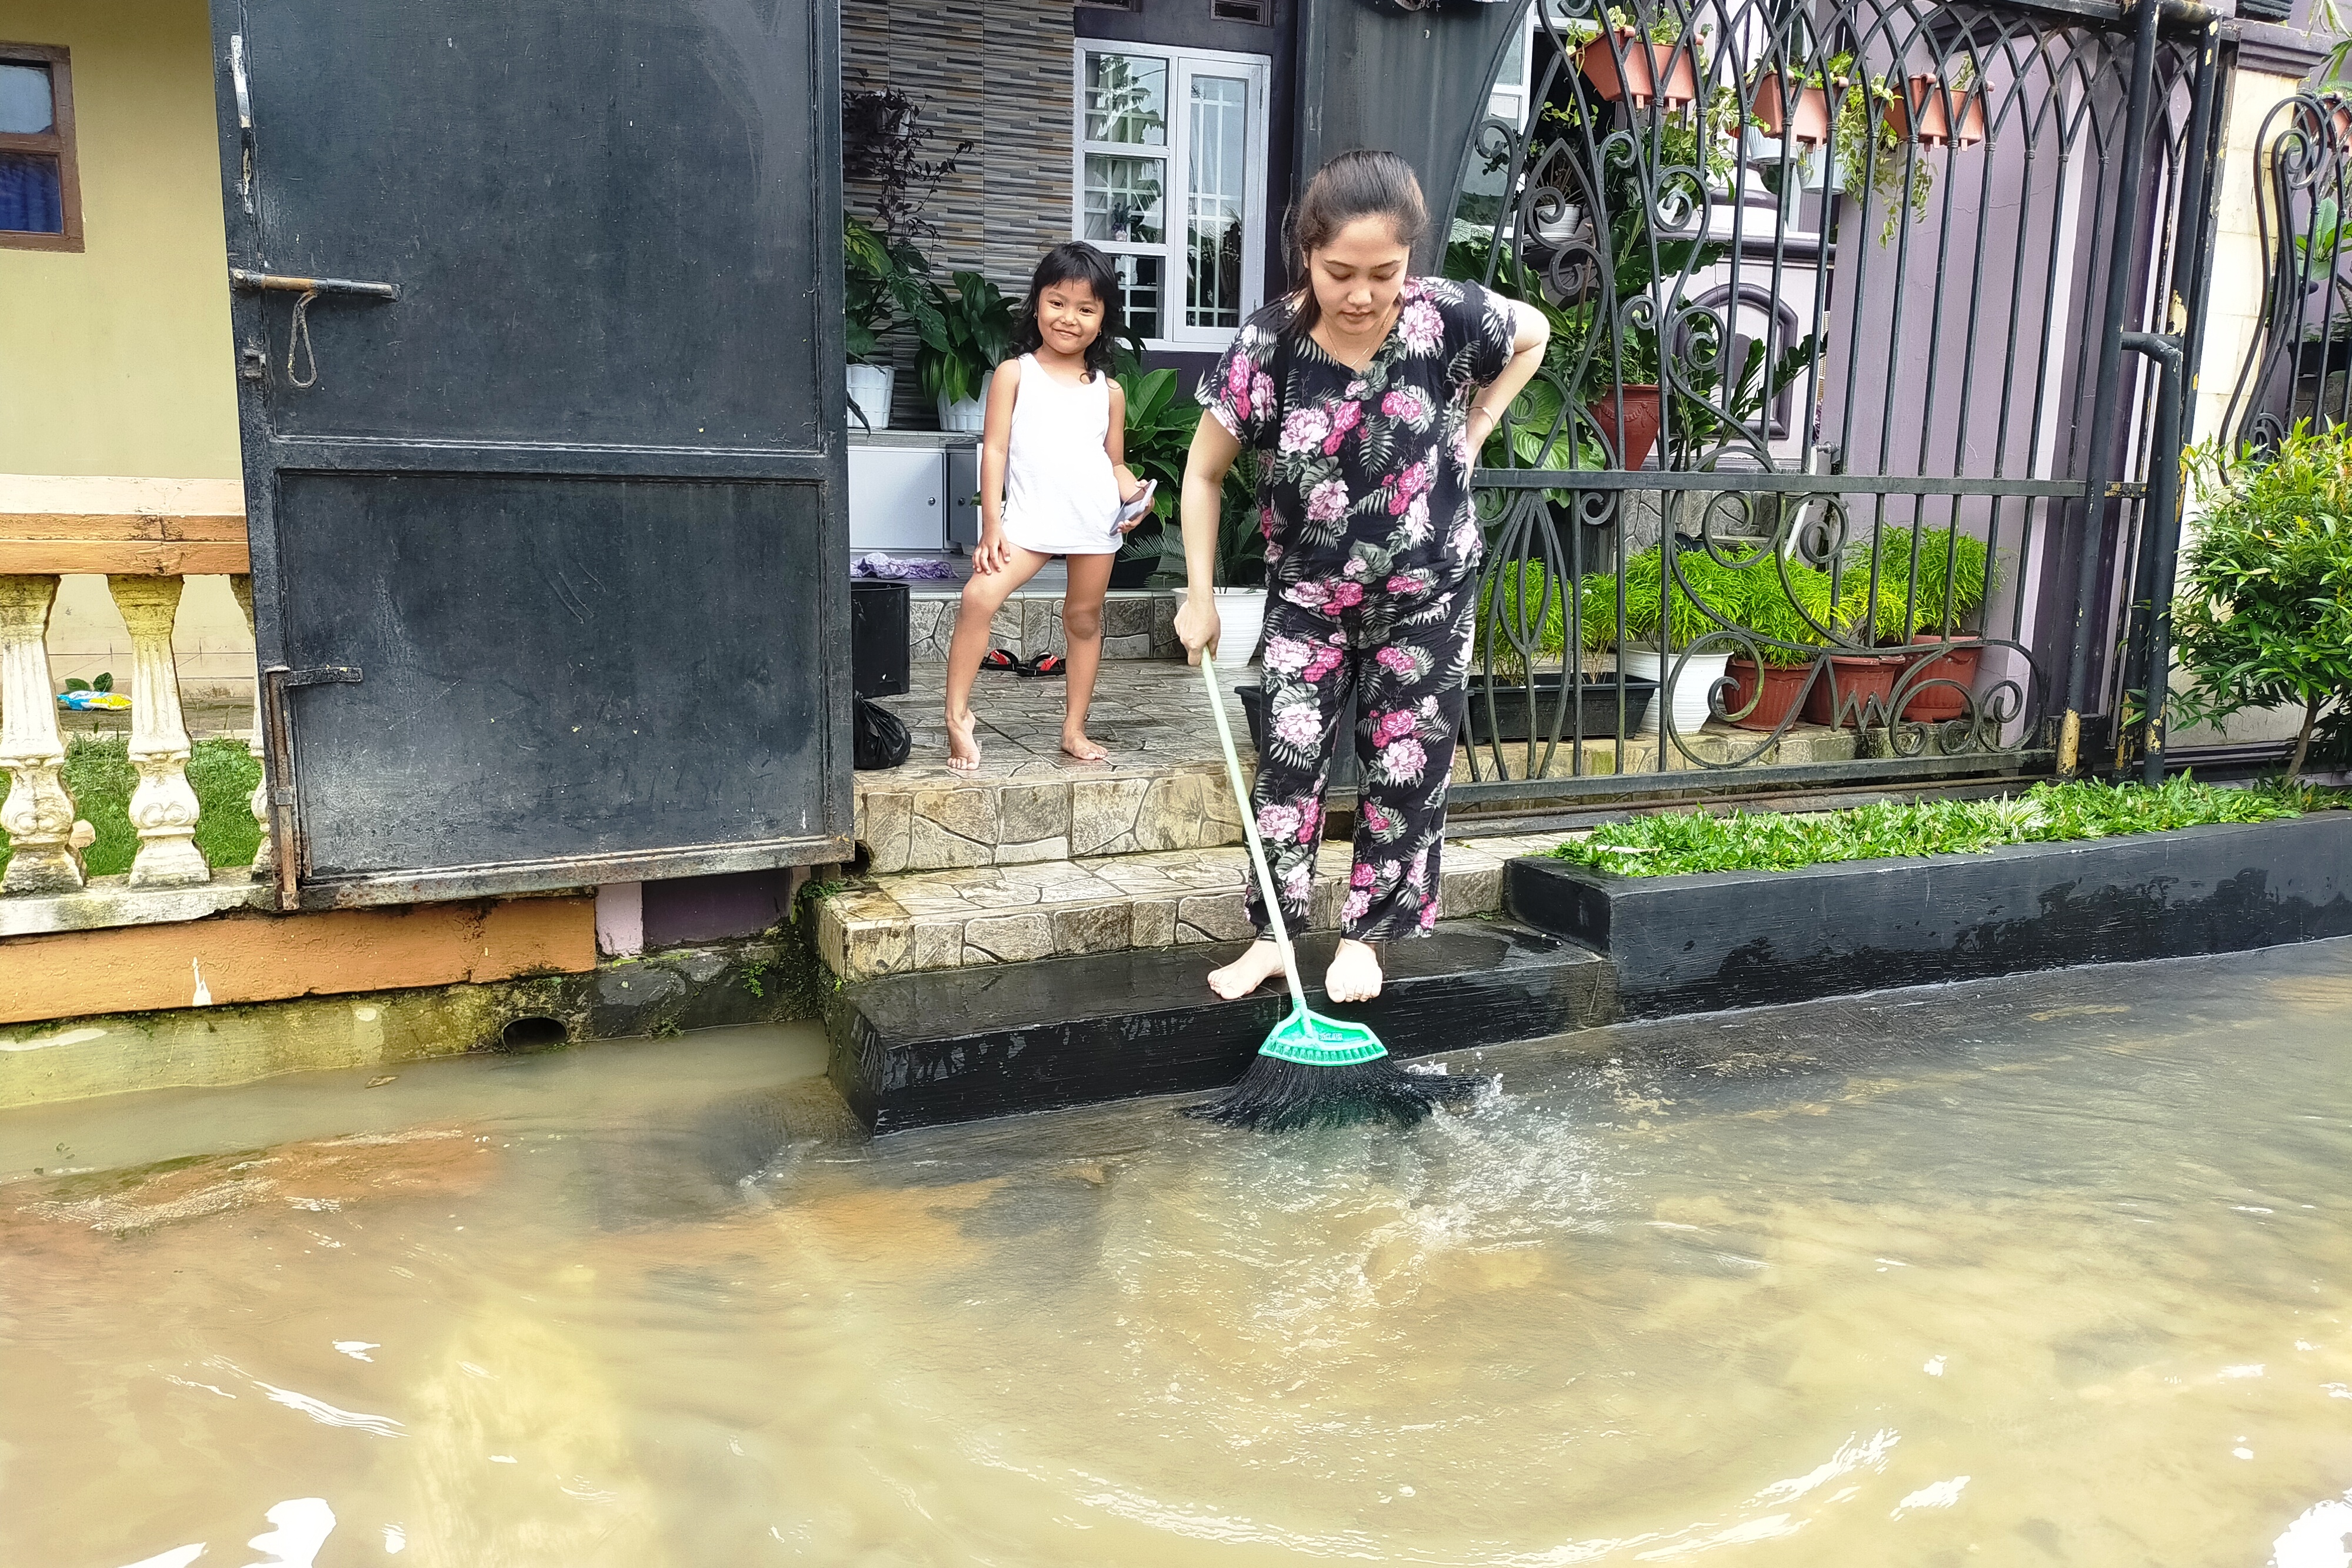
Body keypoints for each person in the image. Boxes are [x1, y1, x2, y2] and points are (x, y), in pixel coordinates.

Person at [1173, 149, 1550, 1003]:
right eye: (1340, 271)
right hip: (1309, 598)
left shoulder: (1445, 316)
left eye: (1384, 272)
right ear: (1306, 252)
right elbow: (1201, 475)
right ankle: (1273, 937)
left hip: (1428, 593)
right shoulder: (1266, 345)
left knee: (1403, 764)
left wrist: (1479, 421)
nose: (1361, 293)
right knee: (1288, 764)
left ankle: (1365, 940)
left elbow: (1535, 333)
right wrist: (1199, 598)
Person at [944, 242, 1151, 770]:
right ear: (1037, 304)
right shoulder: (1016, 373)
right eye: (1058, 303)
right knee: (977, 597)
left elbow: (1115, 462)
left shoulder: (1111, 391)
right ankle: (957, 717)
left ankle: (1073, 730)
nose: (1070, 318)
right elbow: (994, 449)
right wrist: (992, 523)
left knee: (1083, 620)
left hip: (1093, 523)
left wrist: (1134, 494)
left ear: (1104, 319)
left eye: (1087, 309)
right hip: (1028, 523)